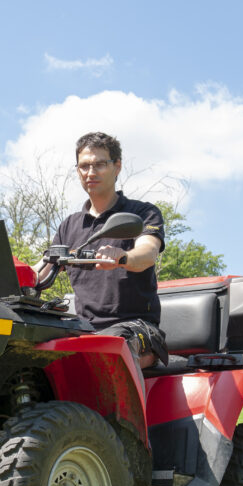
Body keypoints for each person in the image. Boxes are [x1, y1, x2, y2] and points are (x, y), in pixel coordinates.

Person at [37, 131, 168, 368]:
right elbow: (40, 271)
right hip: (83, 330)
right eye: (84, 166)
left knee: (107, 351)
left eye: (99, 164)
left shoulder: (142, 213)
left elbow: (147, 253)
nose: (90, 172)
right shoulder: (70, 225)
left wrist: (123, 257)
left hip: (136, 327)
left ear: (117, 167)